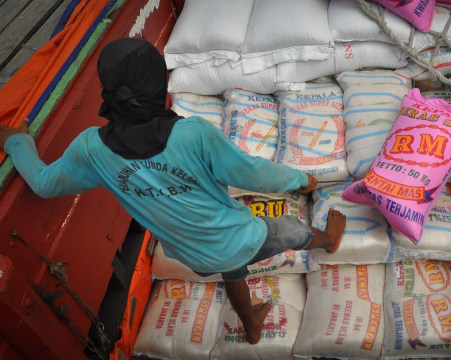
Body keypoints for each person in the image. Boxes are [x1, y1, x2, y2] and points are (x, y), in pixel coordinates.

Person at [0, 38, 346, 345]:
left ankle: (251, 323)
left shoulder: (91, 148)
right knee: (291, 229)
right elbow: (255, 174)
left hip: (191, 255)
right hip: (238, 239)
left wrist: (17, 141)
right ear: (157, 84)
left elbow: (44, 184)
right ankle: (327, 240)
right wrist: (300, 180)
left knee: (231, 267)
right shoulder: (193, 135)